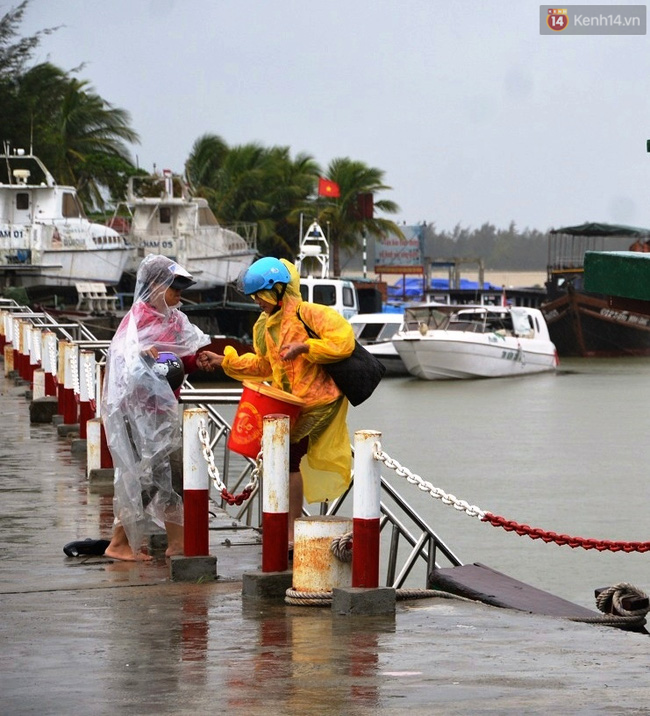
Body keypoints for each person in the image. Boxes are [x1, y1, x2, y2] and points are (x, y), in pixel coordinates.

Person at [197, 257, 355, 544]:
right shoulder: (267, 324)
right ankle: (282, 523)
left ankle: (292, 529)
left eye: (261, 296)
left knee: (289, 457)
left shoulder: (309, 314)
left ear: (279, 290)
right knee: (279, 456)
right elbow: (265, 366)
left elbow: (344, 342)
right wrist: (223, 360)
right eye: (255, 297)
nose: (257, 301)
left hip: (320, 400)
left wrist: (306, 346)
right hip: (291, 402)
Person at [102, 255, 211, 561]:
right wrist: (143, 357)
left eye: (181, 287)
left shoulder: (176, 320)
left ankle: (176, 544)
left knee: (172, 476)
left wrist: (197, 361)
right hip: (136, 415)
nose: (179, 294)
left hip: (163, 412)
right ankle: (119, 543)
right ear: (154, 285)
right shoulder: (137, 320)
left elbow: (179, 360)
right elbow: (123, 367)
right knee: (146, 477)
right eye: (174, 286)